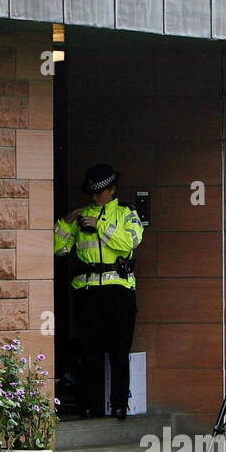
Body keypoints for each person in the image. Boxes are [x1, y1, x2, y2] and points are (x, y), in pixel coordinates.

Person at [53, 164, 145, 419]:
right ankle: (91, 405)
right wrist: (65, 222)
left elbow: (131, 241)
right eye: (91, 193)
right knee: (89, 350)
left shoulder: (126, 213)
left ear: (112, 190)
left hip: (119, 288)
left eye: (99, 192)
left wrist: (101, 227)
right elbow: (58, 249)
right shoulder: (81, 216)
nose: (94, 197)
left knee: (119, 349)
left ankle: (118, 405)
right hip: (87, 289)